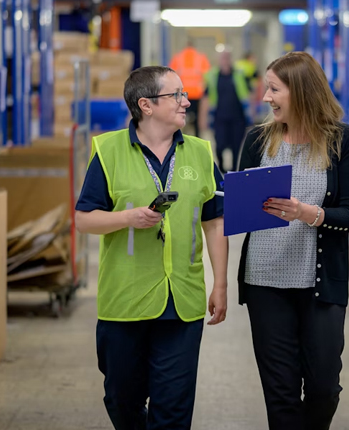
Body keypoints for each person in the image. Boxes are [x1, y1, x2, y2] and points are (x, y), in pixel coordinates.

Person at [75, 66, 229, 430]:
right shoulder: (108, 150)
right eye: (175, 94)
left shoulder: (201, 154)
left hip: (183, 300)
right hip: (125, 300)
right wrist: (127, 219)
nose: (185, 100)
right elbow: (84, 219)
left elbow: (215, 221)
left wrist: (220, 283)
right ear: (146, 104)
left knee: (173, 407)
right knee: (122, 399)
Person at [236, 52, 349, 430]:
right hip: (265, 283)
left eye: (274, 89)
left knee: (324, 387)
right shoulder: (258, 140)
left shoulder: (344, 141)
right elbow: (244, 208)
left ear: (302, 92)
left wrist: (306, 213)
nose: (266, 98)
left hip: (320, 287)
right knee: (280, 392)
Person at [200, 51, 250, 173]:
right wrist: (203, 118)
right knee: (220, 144)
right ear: (219, 60)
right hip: (219, 117)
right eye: (223, 58)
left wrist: (251, 114)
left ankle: (233, 171)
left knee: (236, 146)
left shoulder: (239, 74)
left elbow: (249, 94)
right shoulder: (213, 76)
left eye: (227, 58)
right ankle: (221, 166)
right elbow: (206, 98)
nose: (225, 61)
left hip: (238, 117)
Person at [169, 40, 211, 137]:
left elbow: (170, 75)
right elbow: (207, 76)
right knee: (196, 121)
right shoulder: (201, 57)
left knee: (180, 118)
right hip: (197, 93)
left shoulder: (178, 57)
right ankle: (196, 138)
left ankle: (179, 138)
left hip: (182, 94)